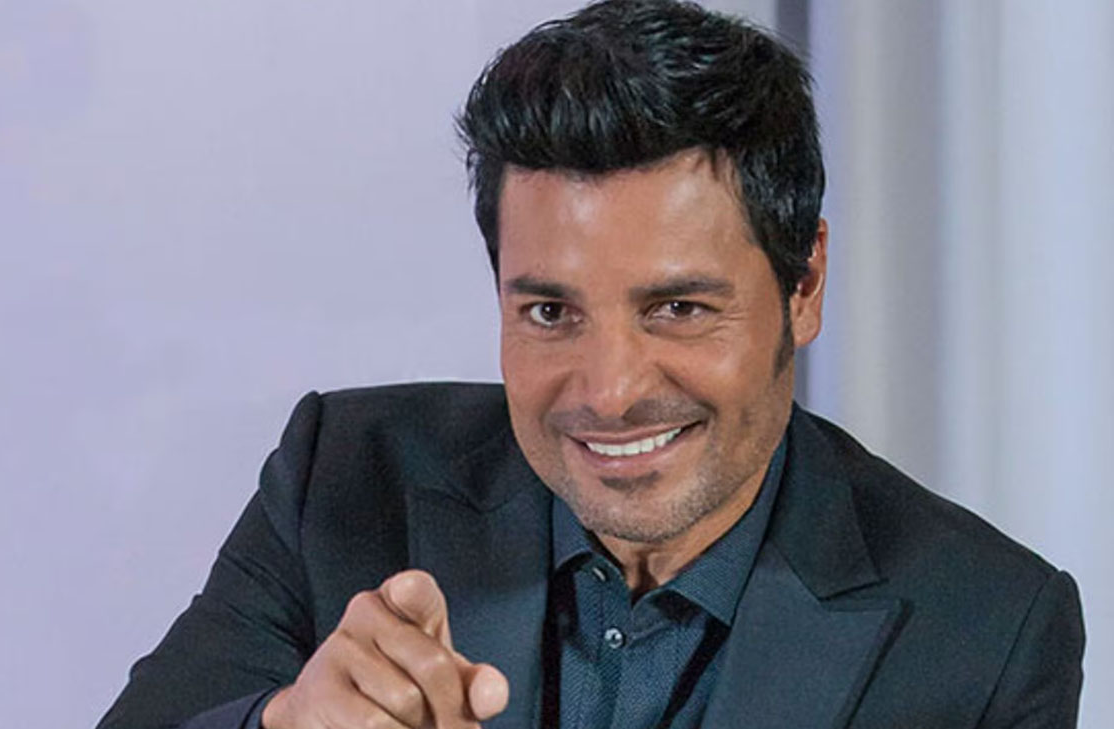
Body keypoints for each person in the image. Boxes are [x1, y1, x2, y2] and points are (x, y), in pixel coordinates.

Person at [97, 1, 1085, 728]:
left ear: (804, 284)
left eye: (678, 309)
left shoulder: (988, 628)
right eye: (549, 312)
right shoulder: (342, 479)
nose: (609, 392)